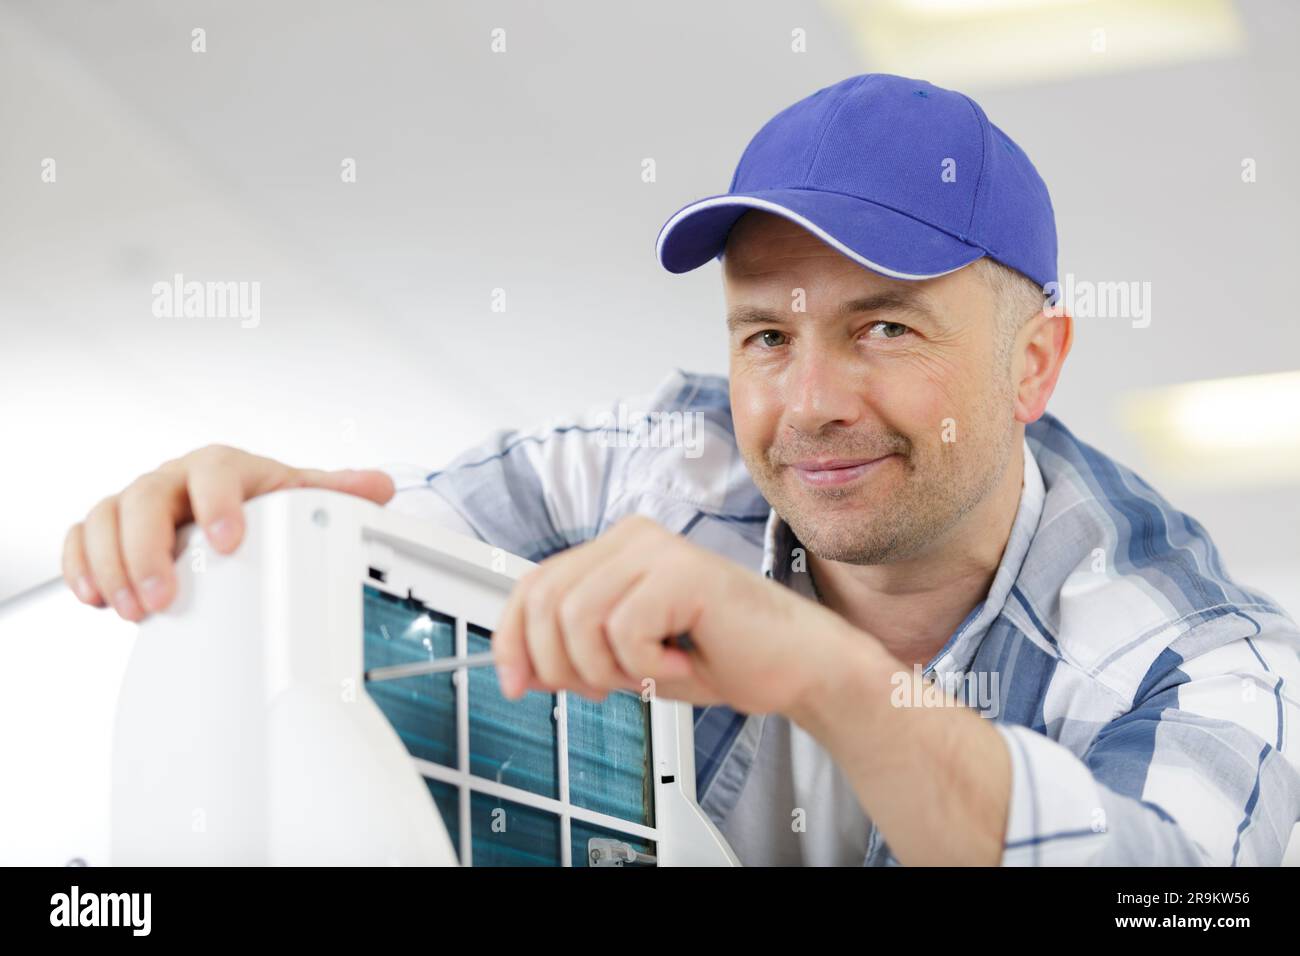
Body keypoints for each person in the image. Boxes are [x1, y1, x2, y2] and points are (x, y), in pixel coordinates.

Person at [62, 74, 1300, 866]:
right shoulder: (652, 469)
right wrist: (261, 531)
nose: (808, 406)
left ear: (1032, 363)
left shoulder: (1204, 657)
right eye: (767, 333)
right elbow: (384, 542)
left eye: (884, 327)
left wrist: (831, 676)